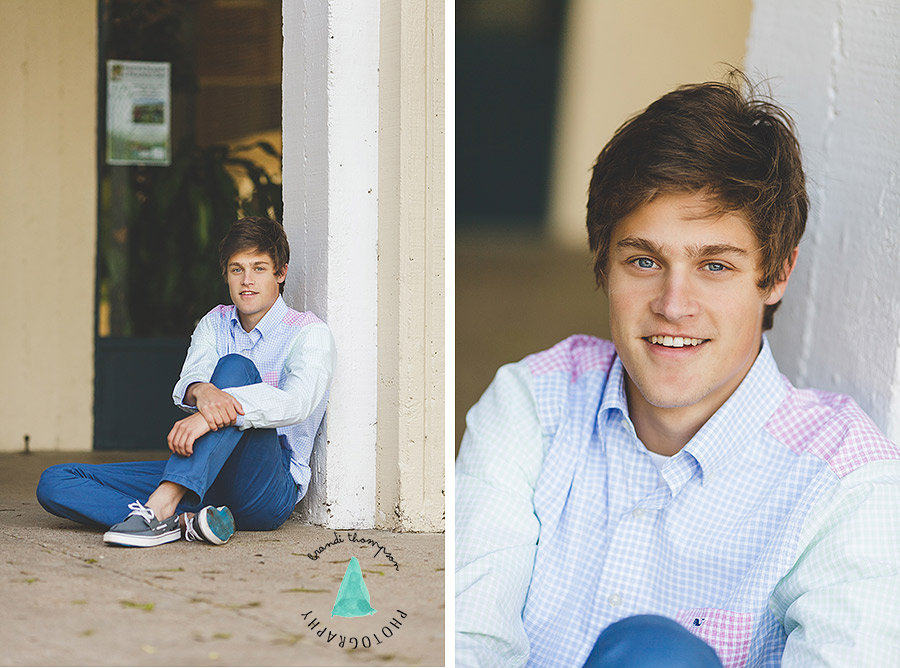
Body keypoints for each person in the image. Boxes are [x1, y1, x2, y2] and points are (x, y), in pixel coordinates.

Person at [455, 73, 900, 667]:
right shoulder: (534, 402)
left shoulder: (846, 481)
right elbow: (467, 643)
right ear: (604, 265)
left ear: (776, 274)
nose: (672, 303)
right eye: (643, 260)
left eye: (715, 266)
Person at [37, 216, 336, 548]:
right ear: (226, 275)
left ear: (280, 273)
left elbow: (296, 404)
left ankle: (163, 504)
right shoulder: (215, 322)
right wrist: (203, 391)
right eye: (237, 269)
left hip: (265, 490)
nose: (246, 281)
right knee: (57, 481)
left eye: (259, 268)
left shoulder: (308, 332)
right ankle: (183, 523)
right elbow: (190, 380)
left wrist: (211, 413)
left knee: (235, 367)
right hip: (204, 478)